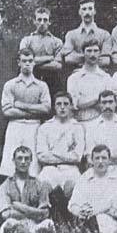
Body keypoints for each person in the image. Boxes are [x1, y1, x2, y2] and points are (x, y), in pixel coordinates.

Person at [0, 48, 51, 178]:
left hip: (34, 127)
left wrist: (21, 105)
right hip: (15, 126)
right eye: (24, 61)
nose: (27, 64)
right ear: (19, 62)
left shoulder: (41, 86)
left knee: (33, 165)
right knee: (11, 165)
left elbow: (46, 108)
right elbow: (7, 111)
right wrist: (34, 111)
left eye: (30, 61)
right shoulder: (10, 84)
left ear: (34, 62)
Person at [36, 91, 85, 221]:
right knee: (42, 185)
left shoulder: (77, 127)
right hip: (49, 169)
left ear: (71, 106)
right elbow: (42, 156)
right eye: (59, 104)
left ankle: (74, 222)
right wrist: (66, 155)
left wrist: (54, 153)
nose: (62, 107)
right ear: (54, 107)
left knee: (73, 187)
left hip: (71, 168)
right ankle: (44, 221)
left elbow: (77, 157)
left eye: (65, 104)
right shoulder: (45, 127)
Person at [68, 144, 117, 233]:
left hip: (110, 218)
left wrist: (93, 211)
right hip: (86, 217)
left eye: (104, 158)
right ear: (92, 161)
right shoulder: (85, 177)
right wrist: (80, 211)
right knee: (82, 224)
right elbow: (73, 203)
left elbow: (113, 205)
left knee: (102, 220)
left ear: (109, 160)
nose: (100, 162)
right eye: (97, 158)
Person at [0, 146, 55, 233]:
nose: (23, 162)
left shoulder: (40, 184)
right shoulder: (5, 185)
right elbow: (5, 214)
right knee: (9, 224)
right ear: (13, 161)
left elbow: (45, 213)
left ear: (31, 161)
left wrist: (21, 207)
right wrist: (35, 212)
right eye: (20, 158)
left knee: (49, 223)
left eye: (26, 158)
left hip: (35, 224)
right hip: (15, 222)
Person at [67, 39, 112, 147]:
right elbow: (74, 104)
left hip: (100, 124)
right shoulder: (74, 78)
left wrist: (85, 102)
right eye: (89, 51)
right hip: (79, 123)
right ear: (83, 53)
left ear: (100, 53)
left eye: (96, 51)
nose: (92, 54)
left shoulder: (106, 77)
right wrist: (97, 99)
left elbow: (107, 104)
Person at [58, 0, 112, 80]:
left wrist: (80, 57)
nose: (87, 12)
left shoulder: (104, 34)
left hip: (99, 76)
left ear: (94, 11)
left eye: (90, 9)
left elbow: (105, 60)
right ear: (80, 12)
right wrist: (94, 56)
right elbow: (69, 59)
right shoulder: (71, 34)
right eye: (84, 9)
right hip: (78, 76)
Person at [86, 90, 117, 173]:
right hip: (97, 169)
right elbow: (89, 157)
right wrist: (115, 155)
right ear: (99, 105)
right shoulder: (91, 126)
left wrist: (102, 155)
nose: (107, 106)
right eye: (104, 103)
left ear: (116, 103)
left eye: (110, 102)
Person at [19, 7, 63, 97]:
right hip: (30, 79)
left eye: (45, 20)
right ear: (34, 21)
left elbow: (58, 66)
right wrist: (49, 58)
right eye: (39, 20)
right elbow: (23, 61)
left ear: (49, 22)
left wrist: (34, 62)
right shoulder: (26, 40)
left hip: (52, 82)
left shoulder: (57, 42)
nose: (42, 23)